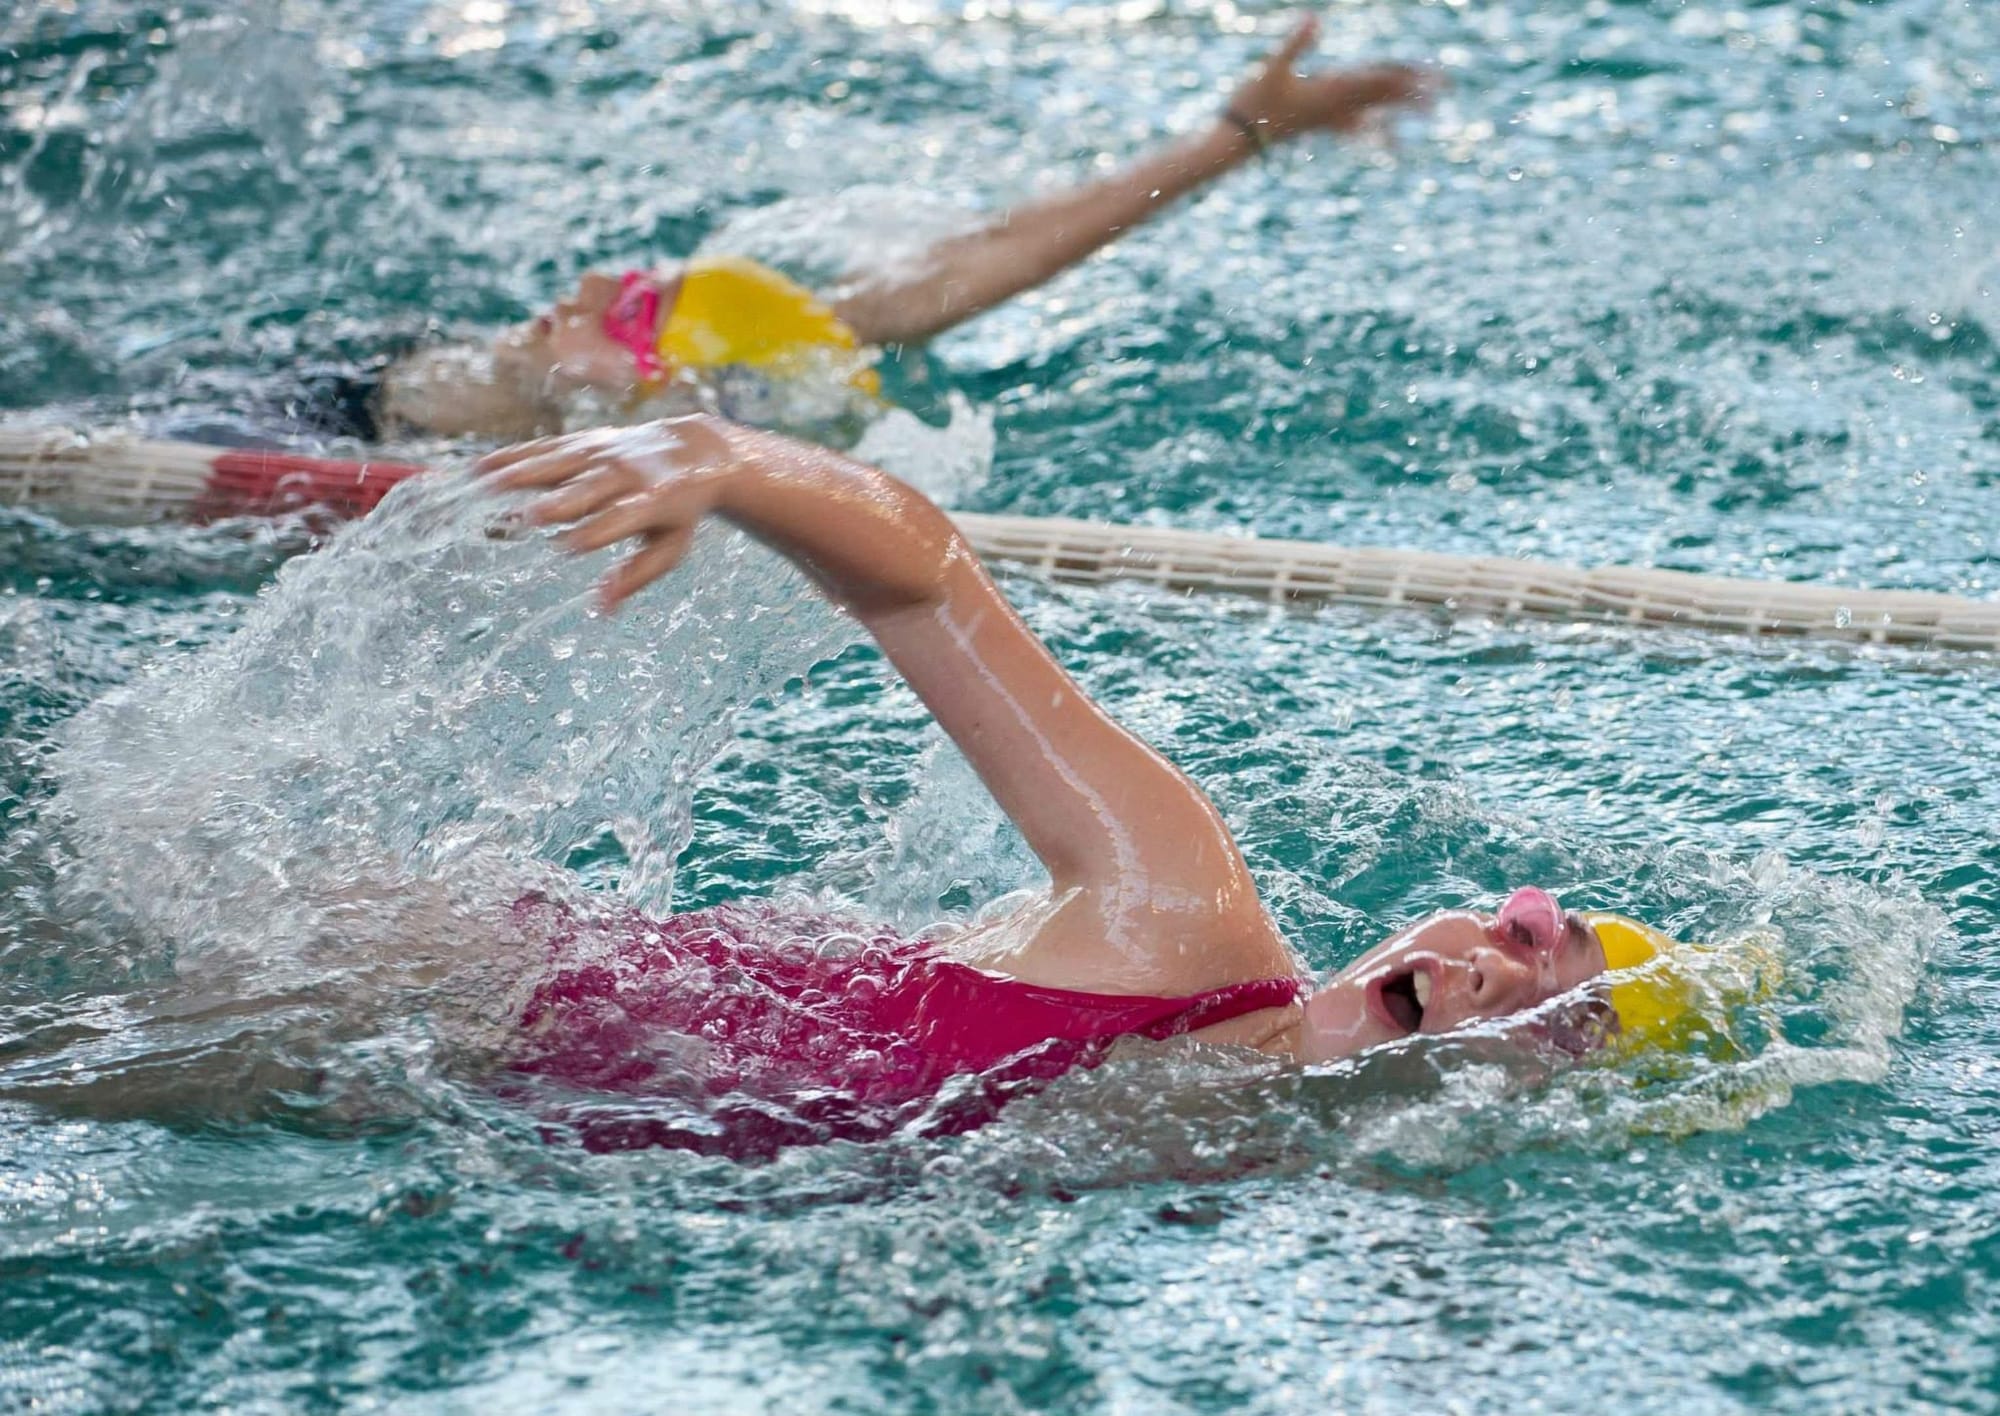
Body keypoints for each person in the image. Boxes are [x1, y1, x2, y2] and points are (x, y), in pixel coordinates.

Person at [472, 415, 1704, 1155]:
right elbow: (927, 585)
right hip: (457, 996)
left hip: (510, 1130)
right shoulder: (1177, 919)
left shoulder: (1242, 1168)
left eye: (1563, 1019)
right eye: (1529, 930)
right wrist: (720, 458)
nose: (1498, 966)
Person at [298, 19, 1433, 445]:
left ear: (639, 396)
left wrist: (1240, 135)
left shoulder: (612, 439)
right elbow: (970, 257)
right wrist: (1231, 132)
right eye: (636, 289)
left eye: (637, 315)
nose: (594, 284)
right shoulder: (326, 405)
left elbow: (976, 268)